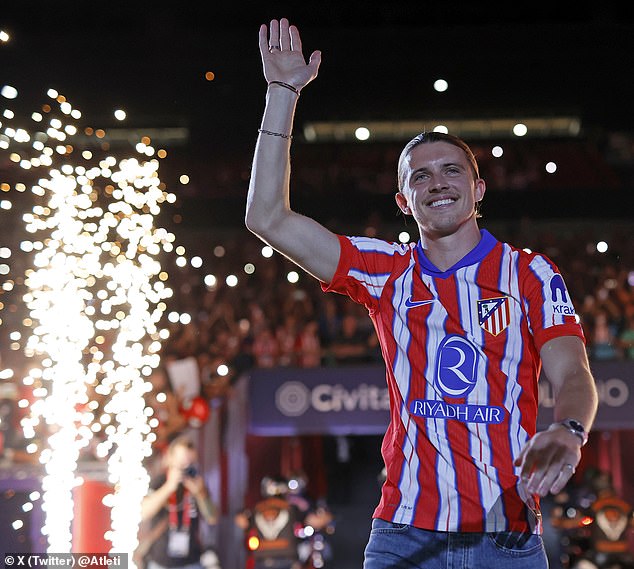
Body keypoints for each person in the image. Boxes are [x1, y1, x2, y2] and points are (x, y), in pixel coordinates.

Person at [246, 18, 600, 568]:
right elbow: (267, 217)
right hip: (403, 535)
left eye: (452, 170)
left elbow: (574, 374)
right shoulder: (386, 270)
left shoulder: (530, 273)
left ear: (478, 189)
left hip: (506, 537)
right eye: (421, 176)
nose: (438, 182)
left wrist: (570, 429)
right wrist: (282, 94)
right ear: (403, 200)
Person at [139, 434, 219, 569]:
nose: (186, 467)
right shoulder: (160, 482)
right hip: (161, 561)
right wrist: (169, 487)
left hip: (191, 560)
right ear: (170, 459)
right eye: (182, 463)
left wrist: (200, 494)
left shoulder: (198, 484)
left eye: (190, 464)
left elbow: (212, 518)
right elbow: (144, 512)